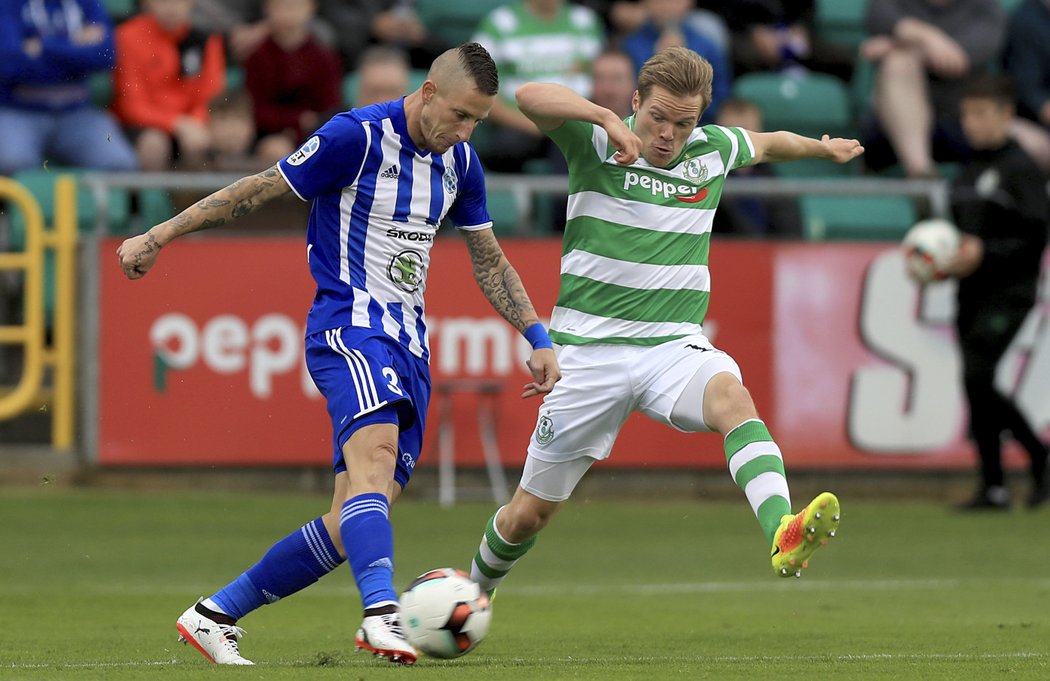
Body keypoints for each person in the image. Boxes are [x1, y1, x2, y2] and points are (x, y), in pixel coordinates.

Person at [116, 43, 560, 665]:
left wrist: (536, 336)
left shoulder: (460, 162)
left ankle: (214, 614)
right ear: (428, 92)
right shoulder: (356, 137)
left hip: (409, 343)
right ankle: (382, 616)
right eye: (459, 115)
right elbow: (259, 189)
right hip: (349, 328)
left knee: (353, 514)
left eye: (477, 121)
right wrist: (158, 234)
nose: (465, 131)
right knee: (373, 465)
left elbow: (487, 259)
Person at [468, 47, 860, 597]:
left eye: (684, 122)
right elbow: (528, 95)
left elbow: (771, 144)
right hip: (587, 355)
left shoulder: (714, 150)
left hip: (672, 347)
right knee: (526, 516)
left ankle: (781, 529)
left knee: (733, 400)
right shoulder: (598, 140)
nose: (668, 134)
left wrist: (823, 149)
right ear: (635, 102)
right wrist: (604, 117)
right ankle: (472, 590)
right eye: (657, 117)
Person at [936, 75, 1050, 510]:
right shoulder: (967, 171)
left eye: (982, 114)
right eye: (967, 114)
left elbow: (1034, 238)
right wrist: (941, 262)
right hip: (970, 292)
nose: (972, 123)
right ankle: (994, 486)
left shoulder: (1021, 169)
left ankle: (1040, 457)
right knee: (975, 385)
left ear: (1006, 115)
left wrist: (986, 251)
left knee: (978, 376)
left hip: (1010, 292)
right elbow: (958, 237)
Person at [859, 0, 1005, 178]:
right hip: (890, 131)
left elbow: (959, 58)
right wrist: (929, 37)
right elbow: (878, 17)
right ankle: (921, 173)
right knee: (898, 63)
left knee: (1030, 141)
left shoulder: (984, 6)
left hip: (961, 124)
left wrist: (899, 44)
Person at [0, 0, 138, 175]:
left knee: (120, 163)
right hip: (17, 111)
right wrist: (74, 45)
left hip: (77, 113)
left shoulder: (86, 3)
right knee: (11, 163)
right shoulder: (7, 3)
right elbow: (9, 63)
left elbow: (105, 55)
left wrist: (42, 46)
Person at [471, 0, 605, 172]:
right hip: (520, 125)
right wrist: (532, 125)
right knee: (507, 148)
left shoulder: (585, 21)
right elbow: (477, 86)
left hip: (578, 121)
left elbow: (604, 77)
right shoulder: (499, 23)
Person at [112, 0, 227, 171]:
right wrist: (176, 124)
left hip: (191, 126)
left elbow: (211, 96)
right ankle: (150, 198)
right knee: (154, 144)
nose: (171, 7)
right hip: (143, 126)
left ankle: (198, 198)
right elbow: (131, 105)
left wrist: (194, 122)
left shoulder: (206, 38)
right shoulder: (126, 36)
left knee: (208, 139)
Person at [243, 0, 344, 164]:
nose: (287, 15)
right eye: (280, 7)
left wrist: (307, 127)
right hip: (266, 137)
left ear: (310, 9)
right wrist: (296, 120)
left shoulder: (325, 58)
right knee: (275, 152)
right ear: (268, 9)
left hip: (315, 136)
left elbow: (331, 108)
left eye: (294, 7)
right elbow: (254, 108)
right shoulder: (257, 57)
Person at [620, 0, 731, 123]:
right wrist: (660, 59)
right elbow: (626, 93)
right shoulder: (630, 45)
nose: (667, 6)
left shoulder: (706, 45)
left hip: (696, 126)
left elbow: (721, 96)